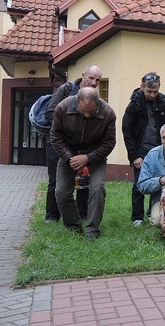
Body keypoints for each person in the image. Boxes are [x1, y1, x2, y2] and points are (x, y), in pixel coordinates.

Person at [50, 87, 116, 239]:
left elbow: (109, 142)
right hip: (68, 155)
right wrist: (70, 157)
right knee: (61, 192)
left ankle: (92, 229)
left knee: (97, 188)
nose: (87, 115)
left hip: (96, 157)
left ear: (98, 103)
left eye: (91, 112)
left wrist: (88, 158)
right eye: (83, 111)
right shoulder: (62, 108)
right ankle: (73, 225)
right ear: (77, 101)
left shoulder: (108, 113)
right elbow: (56, 137)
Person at [44, 65, 102, 222]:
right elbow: (50, 112)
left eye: (97, 79)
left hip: (83, 147)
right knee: (56, 182)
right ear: (83, 75)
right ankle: (52, 216)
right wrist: (70, 127)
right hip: (59, 144)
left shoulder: (96, 97)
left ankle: (81, 215)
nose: (94, 82)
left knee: (84, 181)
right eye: (91, 78)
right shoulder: (67, 89)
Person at [122, 72, 165, 227]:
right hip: (140, 149)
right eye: (149, 91)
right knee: (139, 183)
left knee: (160, 181)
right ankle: (137, 217)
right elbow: (127, 131)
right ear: (142, 87)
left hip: (160, 149)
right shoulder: (134, 104)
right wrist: (134, 156)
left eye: (155, 91)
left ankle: (155, 212)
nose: (153, 95)